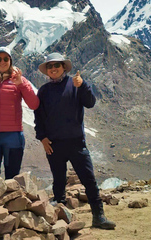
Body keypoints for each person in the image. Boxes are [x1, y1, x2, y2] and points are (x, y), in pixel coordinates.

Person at [34, 52, 115, 230]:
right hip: (54, 145)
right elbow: (39, 117)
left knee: (89, 179)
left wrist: (83, 85)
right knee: (59, 182)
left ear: (64, 67)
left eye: (57, 65)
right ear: (47, 70)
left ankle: (99, 217)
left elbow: (90, 103)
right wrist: (42, 137)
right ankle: (61, 221)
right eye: (50, 66)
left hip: (76, 143)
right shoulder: (44, 91)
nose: (53, 68)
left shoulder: (75, 83)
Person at [0, 47, 39, 179]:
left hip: (13, 137)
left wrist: (21, 84)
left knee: (12, 177)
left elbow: (34, 104)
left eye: (6, 59)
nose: (2, 62)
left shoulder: (19, 79)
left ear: (11, 60)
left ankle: (11, 200)